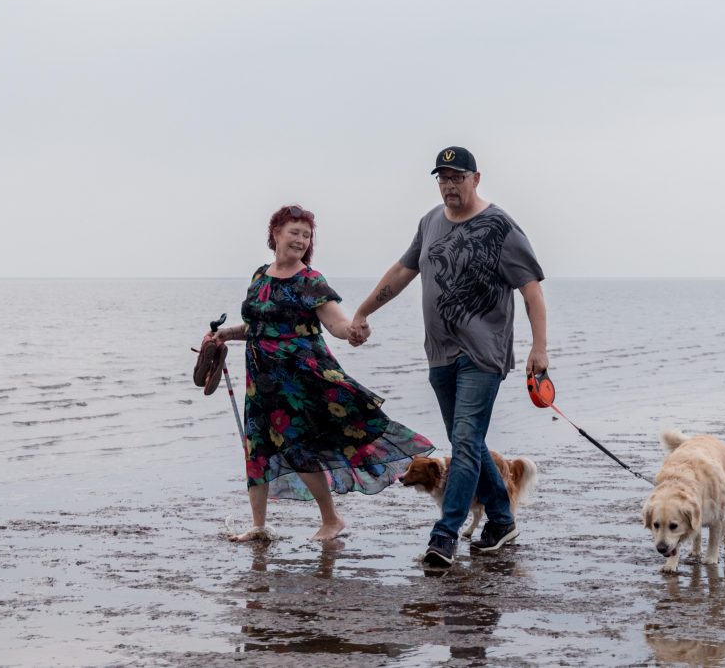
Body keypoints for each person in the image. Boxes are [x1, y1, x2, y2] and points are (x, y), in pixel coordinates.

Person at [350, 146, 548, 567]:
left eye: (457, 177)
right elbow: (404, 271)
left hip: (483, 355)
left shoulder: (501, 227)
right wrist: (364, 311)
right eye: (442, 177)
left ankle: (445, 536)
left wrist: (538, 347)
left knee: (463, 442)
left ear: (476, 178)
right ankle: (501, 520)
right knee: (470, 444)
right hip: (440, 355)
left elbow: (532, 290)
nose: (448, 185)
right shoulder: (430, 222)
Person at [203, 204, 434, 542]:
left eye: (306, 235)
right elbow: (257, 326)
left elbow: (336, 323)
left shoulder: (310, 279)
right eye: (293, 232)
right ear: (276, 233)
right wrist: (226, 334)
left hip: (301, 381)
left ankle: (331, 519)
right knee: (256, 448)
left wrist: (353, 332)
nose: (300, 239)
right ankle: (259, 525)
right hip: (262, 382)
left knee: (298, 449)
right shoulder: (259, 276)